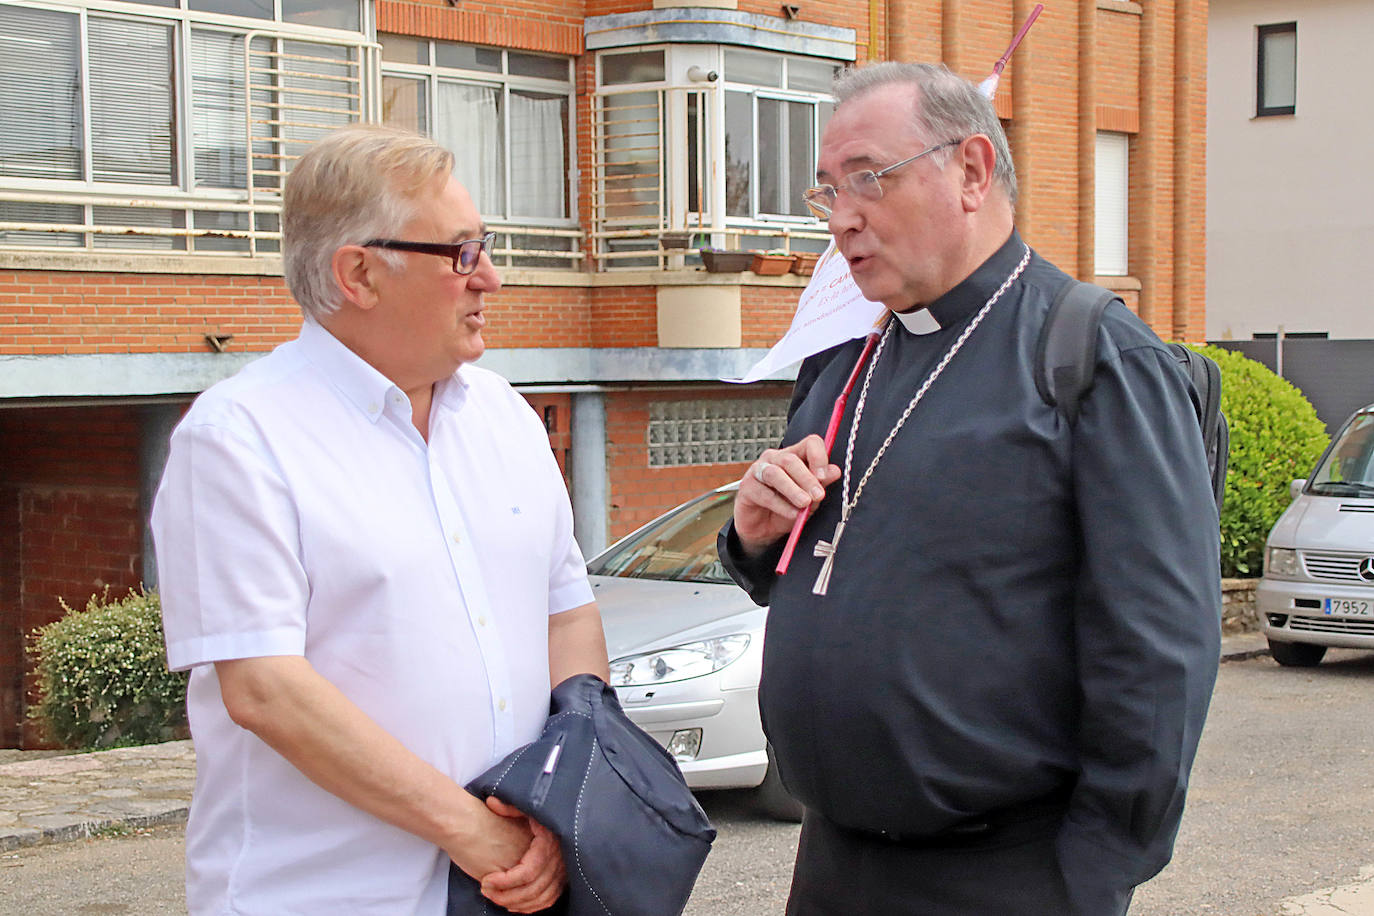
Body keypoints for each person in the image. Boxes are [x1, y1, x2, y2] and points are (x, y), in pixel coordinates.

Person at [719, 62, 1221, 915]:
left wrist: (1091, 872)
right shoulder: (846, 357)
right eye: (828, 191)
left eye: (868, 180)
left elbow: (1159, 652)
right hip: (833, 865)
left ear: (973, 171)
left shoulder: (1096, 359)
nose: (842, 219)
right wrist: (754, 536)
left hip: (1007, 877)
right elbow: (816, 566)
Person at [151, 125, 609, 915]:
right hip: (327, 896)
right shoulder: (238, 440)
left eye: (487, 247)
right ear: (359, 272)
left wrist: (560, 798)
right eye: (461, 254)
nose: (491, 279)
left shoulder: (505, 416)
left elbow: (567, 618)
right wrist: (472, 832)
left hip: (517, 886)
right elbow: (265, 690)